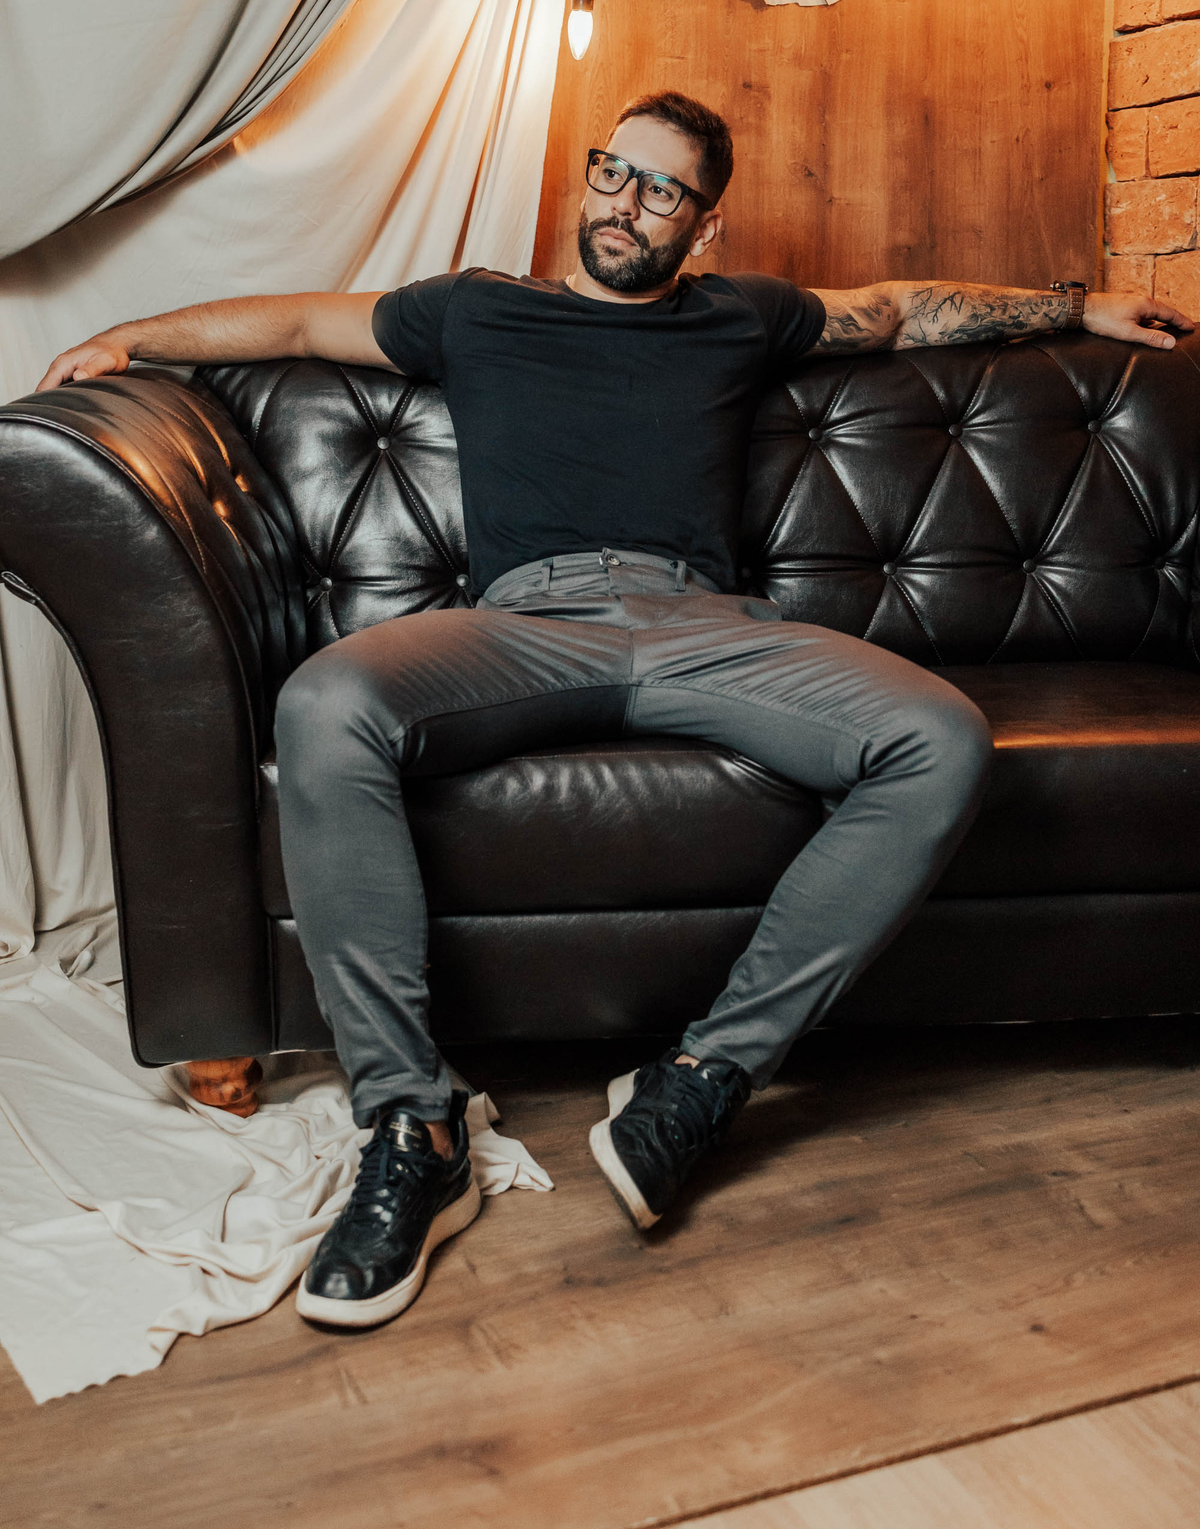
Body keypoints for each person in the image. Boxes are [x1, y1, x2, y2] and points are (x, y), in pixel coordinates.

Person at [39, 91, 1195, 1331]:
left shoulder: (742, 313)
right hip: (523, 624)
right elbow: (298, 320)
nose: (625, 203)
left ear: (702, 225)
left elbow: (899, 308)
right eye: (613, 172)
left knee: (940, 736)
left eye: (661, 191)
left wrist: (1077, 304)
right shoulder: (476, 307)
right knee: (326, 703)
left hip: (704, 624)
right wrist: (131, 338)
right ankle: (414, 1124)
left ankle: (704, 1071)